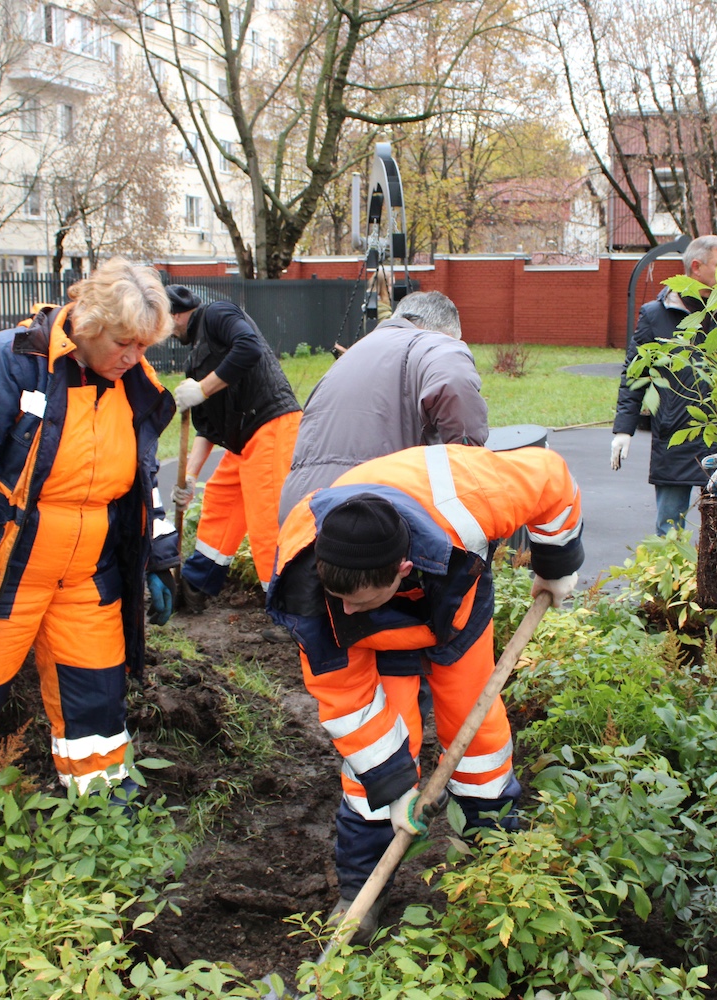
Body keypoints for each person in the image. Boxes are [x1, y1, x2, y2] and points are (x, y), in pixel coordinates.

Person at [0, 257, 180, 793]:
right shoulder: (9, 364)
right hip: (0, 574)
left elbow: (141, 479)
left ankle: (105, 810)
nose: (135, 358)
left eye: (145, 346)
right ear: (89, 325)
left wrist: (160, 558)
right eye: (124, 343)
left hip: (87, 579)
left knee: (96, 699)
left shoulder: (134, 384)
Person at [268, 444, 584, 942]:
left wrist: (555, 563)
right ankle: (361, 892)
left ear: (402, 569)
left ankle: (496, 860)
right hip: (368, 642)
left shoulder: (476, 495)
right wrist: (393, 790)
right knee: (374, 761)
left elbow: (552, 479)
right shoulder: (313, 589)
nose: (347, 609)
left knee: (477, 736)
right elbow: (348, 704)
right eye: (340, 599)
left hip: (451, 601)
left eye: (360, 600)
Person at [277, 290, 488, 524]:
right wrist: (469, 459)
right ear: (446, 333)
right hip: (369, 514)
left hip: (300, 514)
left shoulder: (354, 354)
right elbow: (455, 381)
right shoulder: (433, 342)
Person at [166, 286, 302, 604]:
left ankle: (288, 609)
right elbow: (207, 428)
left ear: (175, 314)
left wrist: (203, 388)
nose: (166, 333)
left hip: (271, 426)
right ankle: (196, 586)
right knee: (220, 501)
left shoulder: (217, 314)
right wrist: (188, 476)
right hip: (242, 441)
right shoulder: (194, 361)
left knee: (266, 521)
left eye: (165, 322)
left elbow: (248, 348)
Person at [609, 234, 717, 535]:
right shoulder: (657, 315)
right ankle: (669, 580)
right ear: (697, 267)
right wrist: (623, 430)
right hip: (675, 438)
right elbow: (634, 374)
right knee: (670, 531)